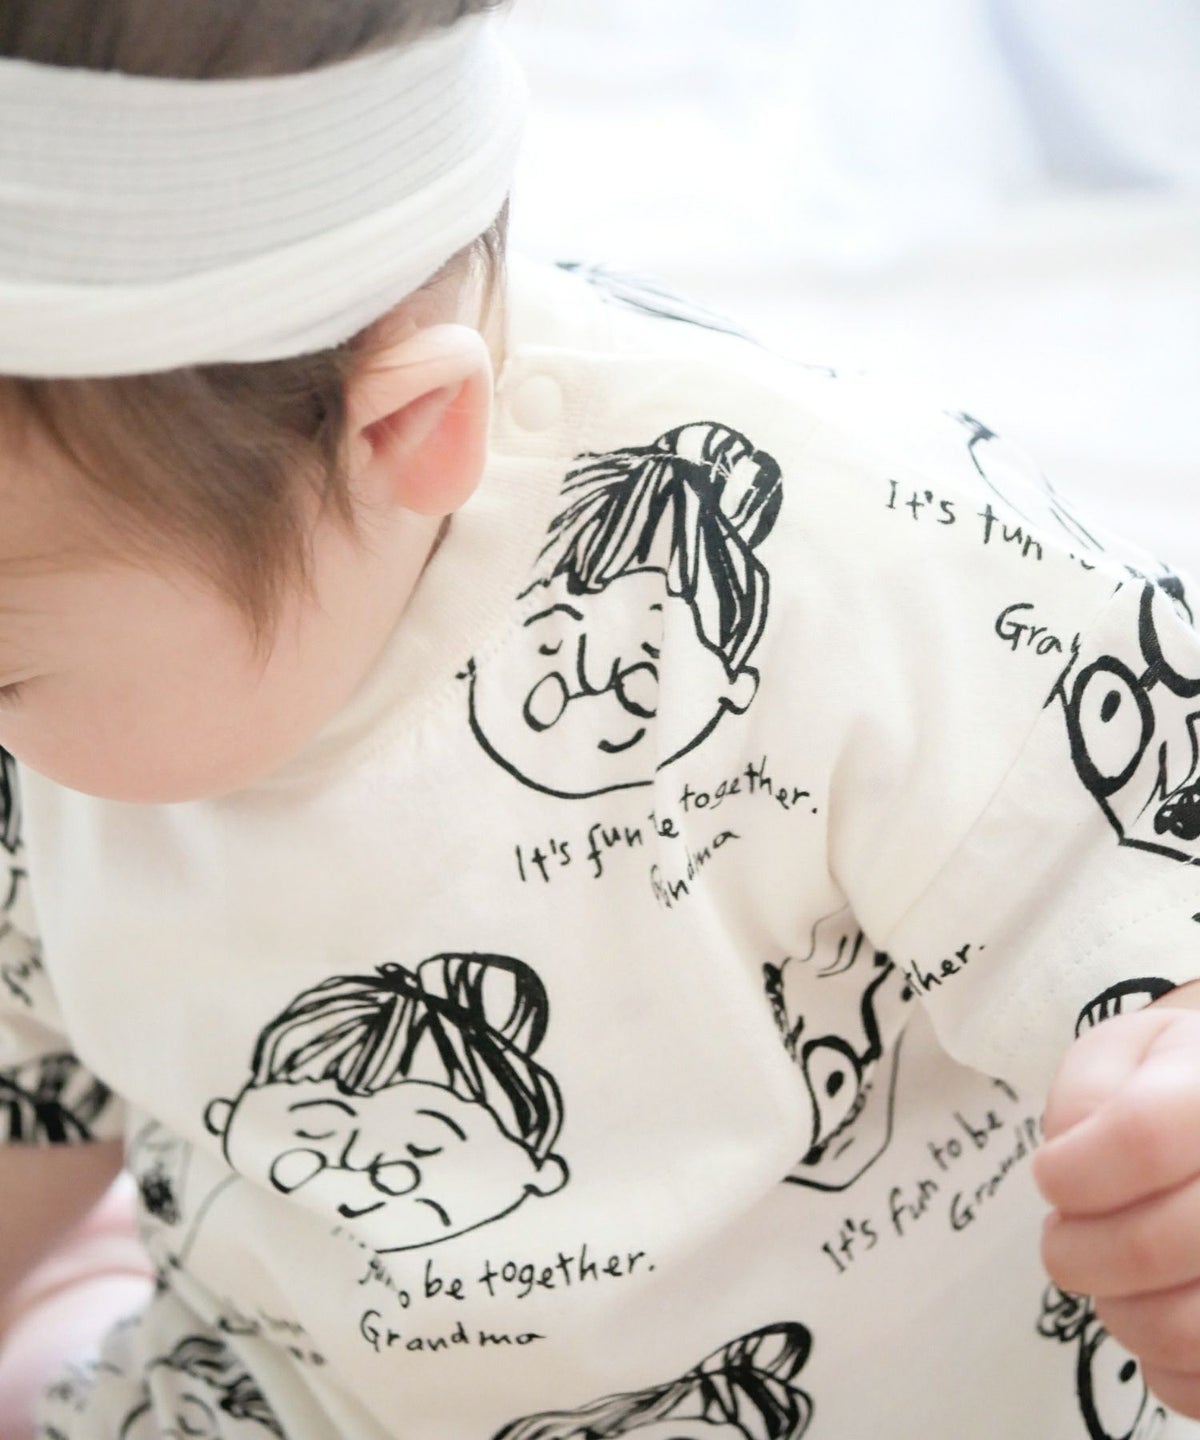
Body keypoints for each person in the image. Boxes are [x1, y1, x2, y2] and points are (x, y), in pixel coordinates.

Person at [1, 3, 1200, 1437]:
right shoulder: (77, 591)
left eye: (7, 676)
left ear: (403, 435)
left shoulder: (860, 568)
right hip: (279, 1382)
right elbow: (27, 1053)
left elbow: (1138, 858)